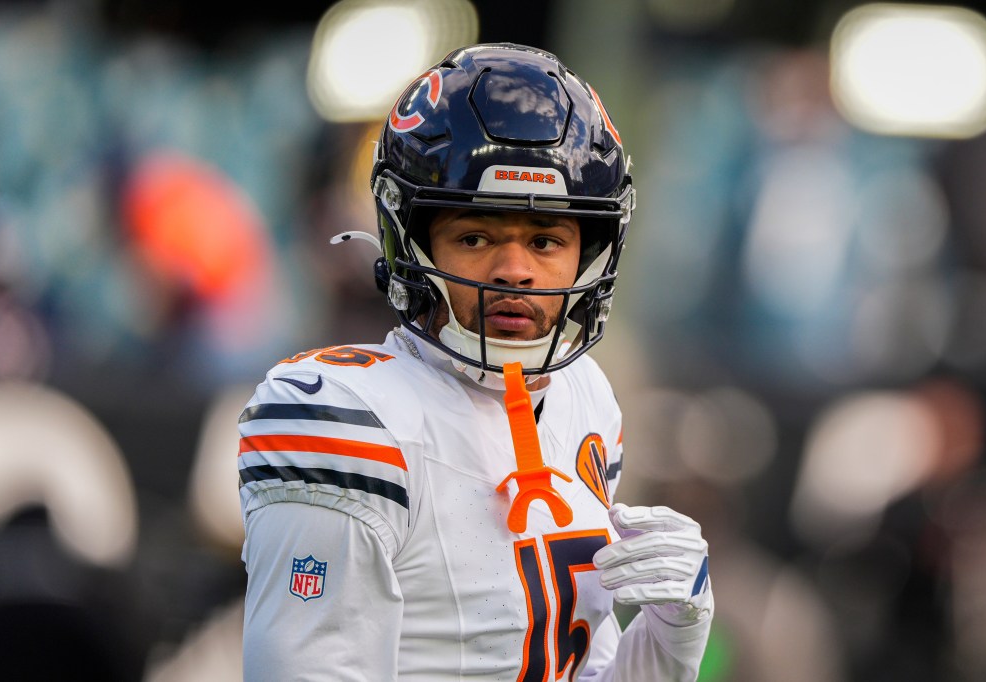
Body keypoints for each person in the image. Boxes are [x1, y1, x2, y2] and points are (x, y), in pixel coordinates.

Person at [238, 43, 713, 681]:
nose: (515, 271)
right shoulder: (348, 420)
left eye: (546, 240)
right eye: (475, 237)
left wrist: (668, 645)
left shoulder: (585, 397)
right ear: (411, 240)